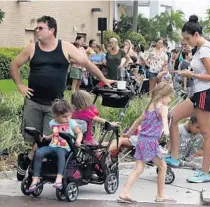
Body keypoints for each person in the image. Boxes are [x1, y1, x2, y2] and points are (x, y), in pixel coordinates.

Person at [11, 16, 114, 180]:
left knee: (48, 137)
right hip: (33, 102)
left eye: (40, 28)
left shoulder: (65, 47)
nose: (37, 30)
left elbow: (87, 63)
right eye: (36, 28)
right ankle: (36, 169)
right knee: (35, 138)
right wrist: (20, 85)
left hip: (55, 106)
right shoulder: (31, 48)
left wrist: (103, 79)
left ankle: (28, 161)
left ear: (51, 30)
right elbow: (14, 64)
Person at [165, 15, 210, 183]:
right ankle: (173, 156)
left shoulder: (204, 50)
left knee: (206, 133)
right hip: (198, 93)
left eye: (188, 38)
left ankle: (205, 172)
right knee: (172, 116)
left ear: (196, 34)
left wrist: (192, 74)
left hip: (205, 93)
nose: (186, 42)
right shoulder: (201, 49)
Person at [117, 82, 175, 204]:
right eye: (169, 97)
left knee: (138, 168)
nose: (170, 100)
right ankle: (160, 195)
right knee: (162, 166)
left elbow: (137, 122)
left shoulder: (149, 108)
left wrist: (129, 133)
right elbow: (164, 118)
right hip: (150, 142)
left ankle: (124, 192)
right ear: (163, 95)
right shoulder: (162, 108)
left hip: (140, 140)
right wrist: (166, 129)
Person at [27, 100, 83, 192]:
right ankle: (35, 177)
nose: (67, 118)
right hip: (53, 145)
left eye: (69, 116)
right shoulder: (52, 123)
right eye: (64, 117)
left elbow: (79, 133)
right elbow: (54, 134)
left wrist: (78, 140)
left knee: (60, 152)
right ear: (56, 115)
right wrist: (46, 137)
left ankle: (59, 177)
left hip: (66, 148)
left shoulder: (71, 123)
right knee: (39, 152)